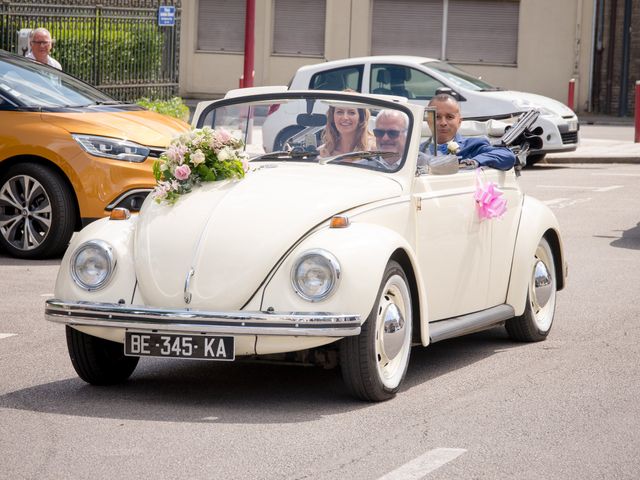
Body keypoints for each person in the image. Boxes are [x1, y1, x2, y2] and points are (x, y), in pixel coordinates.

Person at [424, 93, 515, 170]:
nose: (443, 123)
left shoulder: (472, 146)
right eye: (437, 117)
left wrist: (472, 162)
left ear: (459, 121)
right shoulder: (416, 149)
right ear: (428, 121)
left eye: (450, 117)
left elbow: (507, 155)